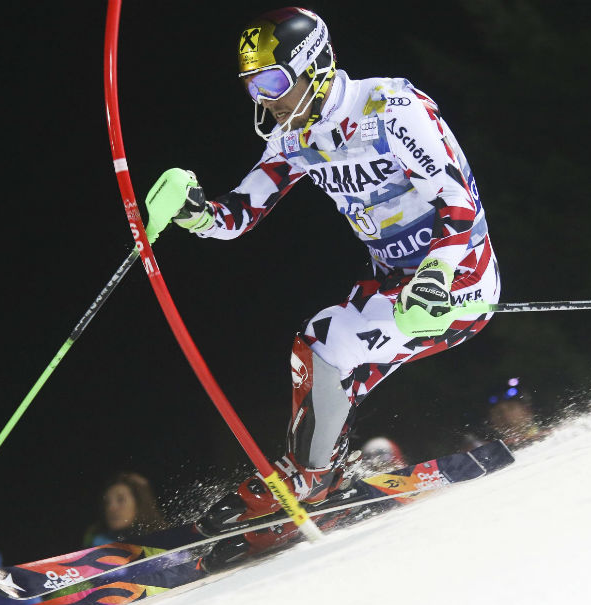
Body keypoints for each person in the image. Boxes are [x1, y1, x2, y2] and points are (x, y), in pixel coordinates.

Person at [145, 7, 499, 533]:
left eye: (271, 80)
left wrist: (438, 274)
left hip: (454, 282)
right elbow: (241, 213)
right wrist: (195, 213)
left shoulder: (389, 108)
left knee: (324, 344)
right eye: (251, 86)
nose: (263, 97)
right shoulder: (294, 135)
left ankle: (308, 480)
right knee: (330, 374)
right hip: (392, 283)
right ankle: (322, 475)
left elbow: (459, 202)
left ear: (314, 65)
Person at [82, 472, 166, 546]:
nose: (111, 508)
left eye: (120, 499)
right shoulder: (96, 544)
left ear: (139, 503)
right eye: (107, 502)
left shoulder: (163, 539)